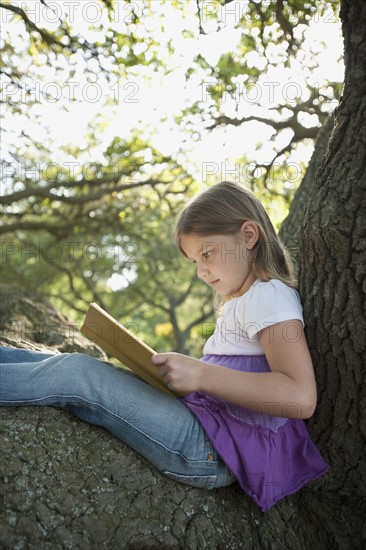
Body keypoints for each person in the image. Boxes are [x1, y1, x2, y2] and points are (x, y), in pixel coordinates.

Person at [0, 181, 328, 512]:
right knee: (64, 362)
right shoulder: (245, 300)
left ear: (248, 236)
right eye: (194, 261)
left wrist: (200, 374)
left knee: (78, 373)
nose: (201, 271)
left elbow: (300, 397)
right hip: (208, 430)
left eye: (208, 254)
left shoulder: (269, 295)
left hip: (216, 449)